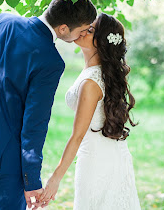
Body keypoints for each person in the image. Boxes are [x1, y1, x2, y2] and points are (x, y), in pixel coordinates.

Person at [0, 0, 96, 210]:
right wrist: (31, 180)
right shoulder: (51, 61)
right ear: (62, 28)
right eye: (82, 29)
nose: (83, 34)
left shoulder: (1, 20)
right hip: (9, 157)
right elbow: (35, 123)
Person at [39, 13, 141, 210]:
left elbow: (77, 136)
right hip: (111, 153)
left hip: (97, 162)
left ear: (101, 42)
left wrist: (55, 178)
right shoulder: (96, 72)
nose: (83, 30)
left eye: (90, 29)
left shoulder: (92, 82)